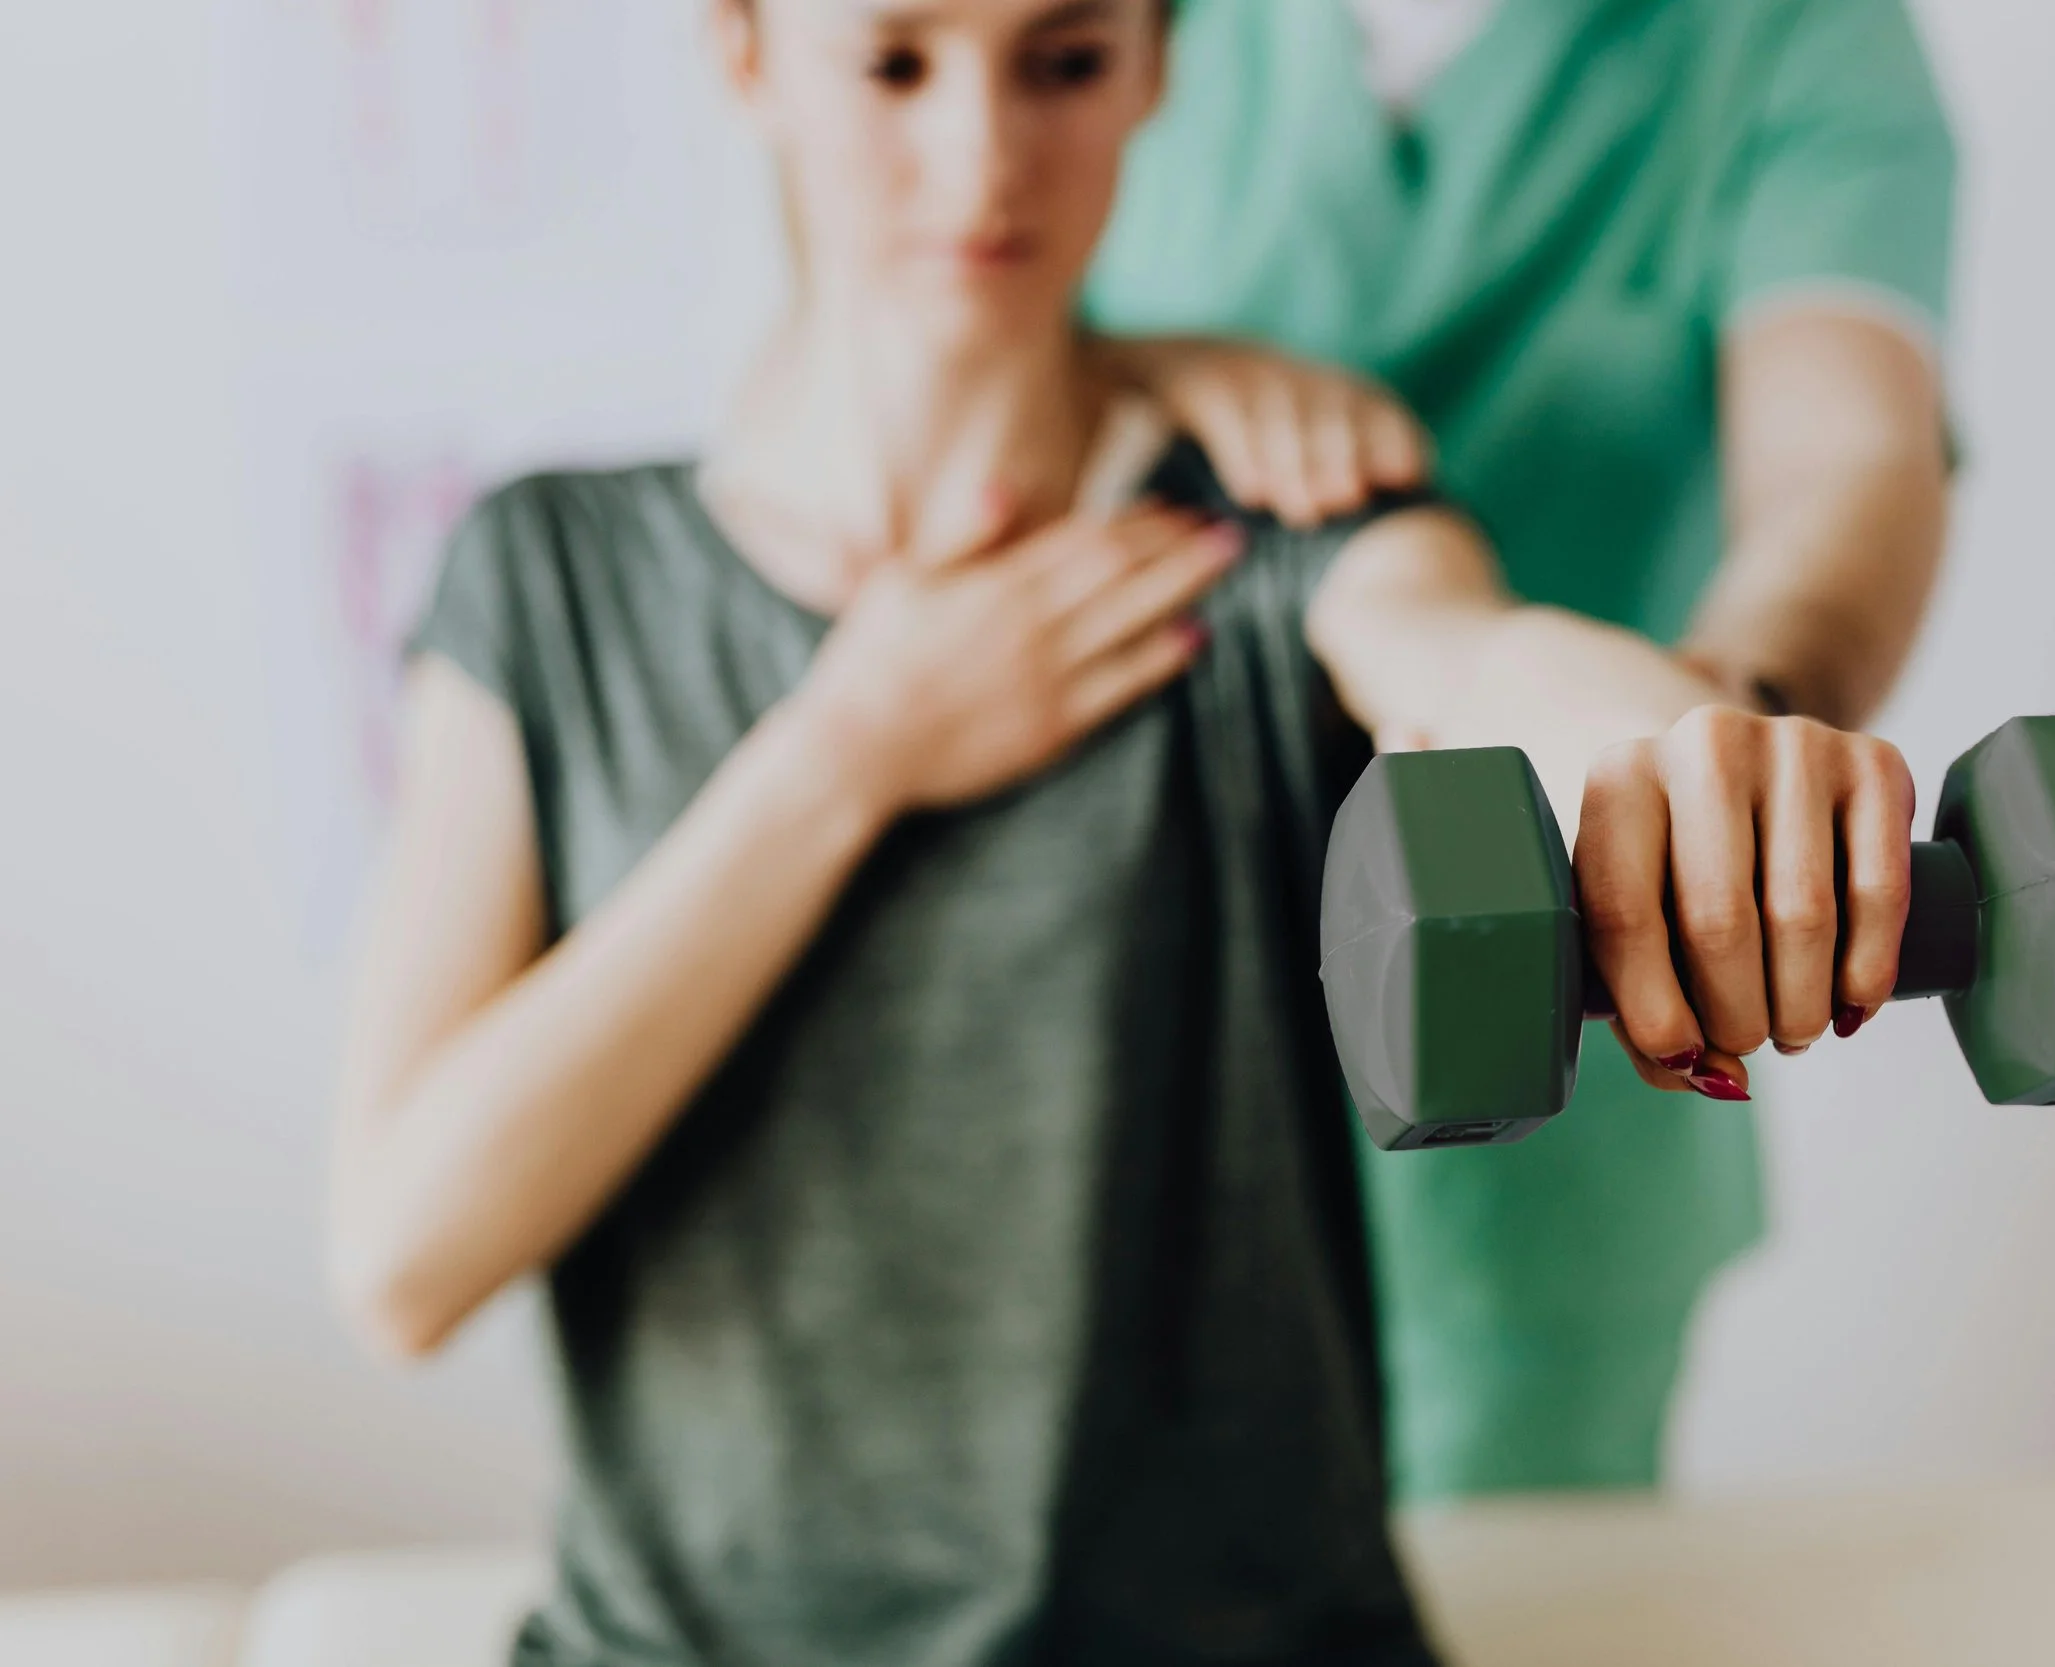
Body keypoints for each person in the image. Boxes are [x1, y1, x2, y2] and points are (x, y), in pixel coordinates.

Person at [328, 0, 1919, 1661]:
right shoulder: (553, 571)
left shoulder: (1282, 535)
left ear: (1162, 62)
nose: (982, 160)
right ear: (742, 53)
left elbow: (1473, 655)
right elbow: (400, 1258)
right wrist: (843, 760)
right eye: (893, 64)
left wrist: (1679, 735)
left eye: (1064, 62)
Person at [1085, 0, 1958, 1500]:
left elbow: (1852, 458)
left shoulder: (1790, 39)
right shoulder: (1115, 33)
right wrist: (1132, 373)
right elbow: (898, 332)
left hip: (1551, 1090)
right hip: (1104, 1048)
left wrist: (1715, 747)